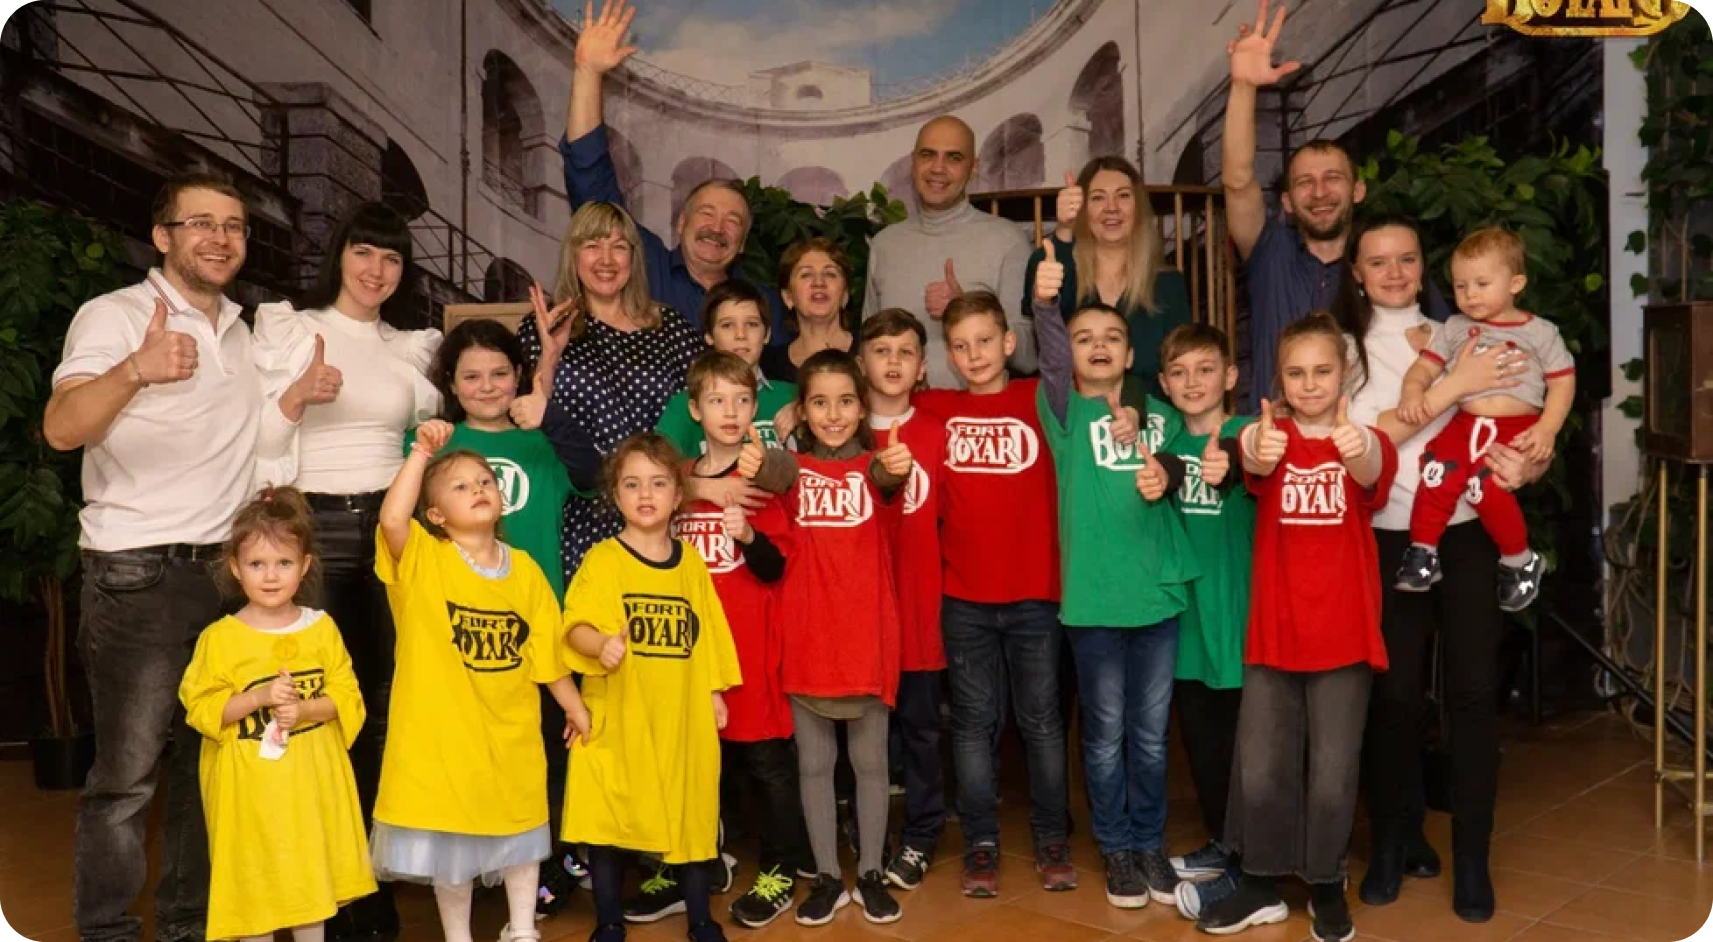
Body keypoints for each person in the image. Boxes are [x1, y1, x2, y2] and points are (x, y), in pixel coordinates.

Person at [44, 171, 261, 942]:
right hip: (139, 572)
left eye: (233, 225)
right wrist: (136, 369)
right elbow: (62, 428)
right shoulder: (115, 316)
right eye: (201, 223)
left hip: (227, 576)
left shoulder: (243, 331)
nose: (220, 238)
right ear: (163, 236)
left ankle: (186, 927)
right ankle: (107, 932)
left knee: (209, 767)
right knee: (128, 779)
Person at [1333, 215, 1549, 924]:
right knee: (1393, 699)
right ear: (1356, 273)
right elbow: (1362, 443)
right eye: (1377, 261)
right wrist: (1454, 386)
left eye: (1406, 259)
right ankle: (1392, 845)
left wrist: (1531, 459)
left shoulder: (1469, 329)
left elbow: (1525, 413)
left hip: (1468, 536)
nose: (1394, 272)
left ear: (1422, 266)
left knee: (1473, 696)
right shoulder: (1342, 349)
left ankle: (1472, 860)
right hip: (1386, 538)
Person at [252, 202, 443, 940]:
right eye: (364, 252)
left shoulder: (412, 347)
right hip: (316, 527)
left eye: (392, 258)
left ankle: (370, 876)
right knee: (318, 704)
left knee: (383, 708)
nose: (376, 269)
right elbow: (259, 440)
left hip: (394, 531)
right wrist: (298, 396)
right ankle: (325, 881)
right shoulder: (292, 330)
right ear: (339, 254)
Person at [1203, 313, 1397, 942]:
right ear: (1279, 381)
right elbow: (1250, 458)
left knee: (1334, 771)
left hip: (1344, 636)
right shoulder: (1268, 437)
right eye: (1296, 373)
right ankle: (1260, 883)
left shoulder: (1366, 439)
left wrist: (1354, 446)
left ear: (1346, 375)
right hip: (1275, 634)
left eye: (1322, 371)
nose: (1310, 384)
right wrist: (1253, 449)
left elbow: (1370, 470)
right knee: (1262, 767)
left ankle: (1325, 885)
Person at [370, 425, 589, 942]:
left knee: (522, 831)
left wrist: (574, 706)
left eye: (486, 481)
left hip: (510, 729)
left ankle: (522, 928)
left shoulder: (526, 570)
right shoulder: (424, 559)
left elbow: (547, 653)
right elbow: (392, 519)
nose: (478, 489)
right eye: (461, 486)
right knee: (453, 843)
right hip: (445, 735)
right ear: (435, 514)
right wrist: (422, 453)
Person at [1032, 251, 1195, 910]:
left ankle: (1150, 843)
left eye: (1111, 337)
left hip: (1156, 599)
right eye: (1083, 338)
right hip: (1094, 603)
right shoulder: (1062, 411)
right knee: (1103, 737)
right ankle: (1117, 848)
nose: (1097, 345)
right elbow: (1050, 359)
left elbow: (1182, 460)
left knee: (1150, 737)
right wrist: (1045, 306)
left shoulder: (1155, 411)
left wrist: (1163, 469)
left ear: (1131, 355)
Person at [741, 352, 913, 927]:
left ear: (862, 408)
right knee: (813, 766)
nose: (834, 414)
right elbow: (777, 472)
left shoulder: (875, 466)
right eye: (820, 402)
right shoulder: (792, 470)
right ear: (802, 410)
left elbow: (887, 481)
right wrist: (760, 460)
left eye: (845, 401)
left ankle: (871, 873)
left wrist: (895, 468)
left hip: (867, 641)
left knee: (870, 764)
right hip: (808, 640)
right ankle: (826, 878)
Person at [912, 291, 1075, 898]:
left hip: (1035, 594)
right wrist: (792, 413)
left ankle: (1052, 837)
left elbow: (1062, 363)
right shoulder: (934, 408)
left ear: (1009, 342)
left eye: (985, 340)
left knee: (1041, 721)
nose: (975, 354)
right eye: (960, 345)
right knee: (973, 724)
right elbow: (871, 397)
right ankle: (981, 841)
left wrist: (1047, 306)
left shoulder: (1039, 398)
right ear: (946, 355)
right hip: (964, 598)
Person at [1220, 0, 1449, 411]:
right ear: (1287, 202)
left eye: (1333, 178)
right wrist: (1243, 87)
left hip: (1364, 440)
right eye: (1305, 183)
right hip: (1274, 441)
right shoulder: (1269, 251)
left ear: (1358, 191)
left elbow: (1448, 353)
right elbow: (1237, 181)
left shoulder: (1390, 269)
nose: (1320, 192)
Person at [563, 433, 743, 942]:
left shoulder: (690, 564)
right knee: (607, 817)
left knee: (691, 814)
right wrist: (600, 645)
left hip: (679, 717)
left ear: (677, 495)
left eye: (659, 483)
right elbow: (573, 627)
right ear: (615, 494)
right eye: (632, 484)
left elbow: (707, 633)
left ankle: (701, 918)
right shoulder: (603, 560)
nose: (646, 494)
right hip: (620, 713)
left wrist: (714, 691)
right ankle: (609, 920)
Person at [178, 486, 374, 942]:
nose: (270, 576)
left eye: (284, 563)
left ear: (304, 566)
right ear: (235, 568)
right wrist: (258, 697)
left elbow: (347, 698)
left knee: (311, 888)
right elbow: (202, 707)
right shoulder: (220, 638)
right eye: (257, 564)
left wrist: (303, 709)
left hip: (309, 790)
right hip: (249, 798)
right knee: (255, 893)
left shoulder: (322, 629)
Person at [668, 353, 812, 928]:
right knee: (698, 763)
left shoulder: (762, 479)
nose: (730, 411)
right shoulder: (680, 476)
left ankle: (780, 866)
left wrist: (749, 535)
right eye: (717, 400)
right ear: (695, 409)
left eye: (742, 400)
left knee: (765, 760)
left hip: (751, 646)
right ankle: (704, 860)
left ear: (756, 408)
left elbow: (776, 568)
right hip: (689, 652)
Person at [560, 0, 788, 339]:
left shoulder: (763, 304)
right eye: (706, 213)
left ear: (742, 243)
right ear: (681, 223)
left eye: (733, 221)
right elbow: (590, 181)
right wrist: (588, 74)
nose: (717, 228)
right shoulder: (643, 263)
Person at [510, 202, 707, 582]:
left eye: (618, 247)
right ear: (573, 254)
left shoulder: (671, 327)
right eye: (592, 245)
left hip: (660, 513)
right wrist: (550, 354)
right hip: (580, 512)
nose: (606, 259)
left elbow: (701, 411)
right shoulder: (545, 325)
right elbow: (529, 417)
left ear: (634, 257)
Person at [1393, 228, 1571, 610]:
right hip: (1464, 424)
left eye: (1481, 284)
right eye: (1460, 286)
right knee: (1437, 472)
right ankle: (1423, 551)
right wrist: (1412, 392)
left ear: (1516, 284)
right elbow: (1424, 368)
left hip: (1515, 430)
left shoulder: (1540, 332)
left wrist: (1547, 428)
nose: (1470, 294)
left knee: (1485, 487)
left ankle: (1519, 560)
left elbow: (1562, 382)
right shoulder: (1455, 328)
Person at [1149, 325, 1257, 922]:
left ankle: (1252, 854)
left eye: (1206, 368)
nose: (1193, 382)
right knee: (1204, 741)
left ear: (1230, 376)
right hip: (1186, 621)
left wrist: (1234, 464)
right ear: (1164, 384)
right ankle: (1223, 840)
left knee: (1249, 746)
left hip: (1240, 615)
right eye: (1180, 372)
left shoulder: (1248, 435)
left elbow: (1254, 461)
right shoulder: (1163, 444)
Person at [855, 310, 950, 892]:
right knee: (858, 735)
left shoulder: (937, 431)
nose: (893, 361)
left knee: (920, 729)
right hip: (857, 612)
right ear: (861, 361)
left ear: (922, 367)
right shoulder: (838, 427)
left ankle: (921, 834)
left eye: (906, 352)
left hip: (918, 605)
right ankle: (862, 833)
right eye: (881, 350)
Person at [864, 116, 1037, 388]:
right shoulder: (884, 244)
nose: (938, 168)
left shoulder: (1008, 240)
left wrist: (965, 311)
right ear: (913, 161)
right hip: (900, 412)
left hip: (979, 413)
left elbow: (1028, 357)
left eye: (953, 158)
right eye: (928, 155)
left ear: (973, 168)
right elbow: (867, 350)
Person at [1023, 157, 1193, 398]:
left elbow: (1181, 367)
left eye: (1123, 195)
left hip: (1152, 418)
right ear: (1083, 208)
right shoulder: (1057, 267)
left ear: (1138, 206)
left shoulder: (1169, 284)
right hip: (1073, 417)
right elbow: (1048, 339)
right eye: (1098, 198)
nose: (1111, 207)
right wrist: (1065, 228)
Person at [657, 280, 800, 454]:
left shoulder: (793, 397)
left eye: (752, 324)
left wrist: (805, 411)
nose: (740, 334)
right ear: (709, 336)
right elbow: (658, 465)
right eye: (727, 325)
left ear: (767, 334)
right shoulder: (684, 404)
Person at [760, 238, 858, 384]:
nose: (819, 283)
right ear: (788, 297)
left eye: (830, 274)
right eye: (806, 275)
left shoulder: (871, 352)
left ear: (845, 295)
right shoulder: (768, 366)